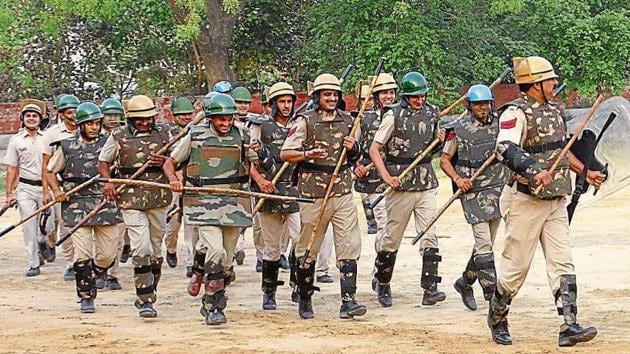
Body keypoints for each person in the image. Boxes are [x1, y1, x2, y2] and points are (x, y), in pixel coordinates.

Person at [488, 56, 604, 346]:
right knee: (516, 269)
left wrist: (585, 172)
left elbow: (561, 151)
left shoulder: (555, 110)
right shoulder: (514, 113)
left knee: (562, 263)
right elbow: (503, 148)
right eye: (550, 79)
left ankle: (569, 326)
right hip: (524, 201)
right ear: (536, 84)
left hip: (555, 202)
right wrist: (533, 170)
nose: (555, 83)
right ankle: (498, 315)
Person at [164, 93, 258, 325]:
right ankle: (213, 305)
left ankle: (204, 273)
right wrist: (173, 180)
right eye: (220, 119)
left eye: (229, 119)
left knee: (226, 261)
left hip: (234, 202)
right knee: (215, 251)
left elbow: (255, 163)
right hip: (203, 202)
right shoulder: (195, 136)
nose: (225, 124)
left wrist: (258, 153)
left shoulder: (243, 134)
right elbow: (170, 163)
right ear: (210, 118)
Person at [280, 73, 366, 320]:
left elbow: (355, 157)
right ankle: (305, 298)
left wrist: (354, 148)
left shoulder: (349, 120)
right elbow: (286, 153)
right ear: (317, 97)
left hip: (342, 191)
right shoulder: (305, 121)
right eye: (326, 94)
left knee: (349, 244)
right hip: (314, 193)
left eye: (335, 94)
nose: (331, 98)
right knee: (309, 246)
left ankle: (348, 301)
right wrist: (307, 154)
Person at [369, 71, 446, 307]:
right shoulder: (393, 115)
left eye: (422, 96)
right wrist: (386, 176)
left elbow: (431, 150)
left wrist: (440, 140)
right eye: (415, 97)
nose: (419, 101)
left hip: (426, 183)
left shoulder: (433, 113)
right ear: (405, 97)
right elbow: (374, 149)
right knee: (392, 238)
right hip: (401, 185)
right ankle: (382, 282)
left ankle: (430, 288)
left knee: (429, 235)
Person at [98, 95, 172, 318]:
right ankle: (145, 299)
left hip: (159, 196)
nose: (144, 122)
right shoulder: (118, 135)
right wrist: (108, 181)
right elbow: (103, 162)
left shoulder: (165, 134)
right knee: (142, 248)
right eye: (139, 119)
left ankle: (151, 288)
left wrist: (165, 162)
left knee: (156, 250)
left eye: (147, 118)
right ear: (130, 118)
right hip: (130, 198)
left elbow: (176, 160)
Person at [46, 102, 123, 313]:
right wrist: (57, 190)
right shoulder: (67, 146)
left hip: (105, 203)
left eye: (97, 123)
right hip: (76, 206)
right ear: (80, 125)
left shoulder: (111, 143)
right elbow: (50, 171)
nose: (94, 127)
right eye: (89, 124)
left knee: (108, 254)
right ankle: (86, 296)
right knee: (82, 255)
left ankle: (97, 272)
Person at [440, 84, 509, 311]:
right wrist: (458, 180)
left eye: (486, 103)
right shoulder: (458, 129)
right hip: (472, 191)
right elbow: (445, 161)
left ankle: (465, 282)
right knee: (484, 244)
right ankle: (492, 298)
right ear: (469, 105)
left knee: (485, 243)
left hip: (497, 189)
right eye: (478, 104)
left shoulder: (500, 125)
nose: (483, 108)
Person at [249, 82, 301, 310]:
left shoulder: (300, 125)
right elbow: (248, 159)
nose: (286, 106)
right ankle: (268, 292)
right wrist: (261, 181)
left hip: (295, 190)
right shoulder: (261, 127)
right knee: (271, 249)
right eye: (282, 101)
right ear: (273, 103)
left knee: (301, 241)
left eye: (289, 101)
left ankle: (299, 286)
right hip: (269, 191)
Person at [4, 102, 48, 276]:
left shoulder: (48, 138)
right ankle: (33, 262)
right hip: (25, 187)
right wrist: (9, 194)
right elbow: (12, 169)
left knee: (49, 225)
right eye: (28, 115)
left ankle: (43, 241)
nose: (31, 118)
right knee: (29, 226)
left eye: (34, 116)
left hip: (47, 188)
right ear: (22, 119)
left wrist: (48, 190)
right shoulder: (16, 140)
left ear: (40, 119)